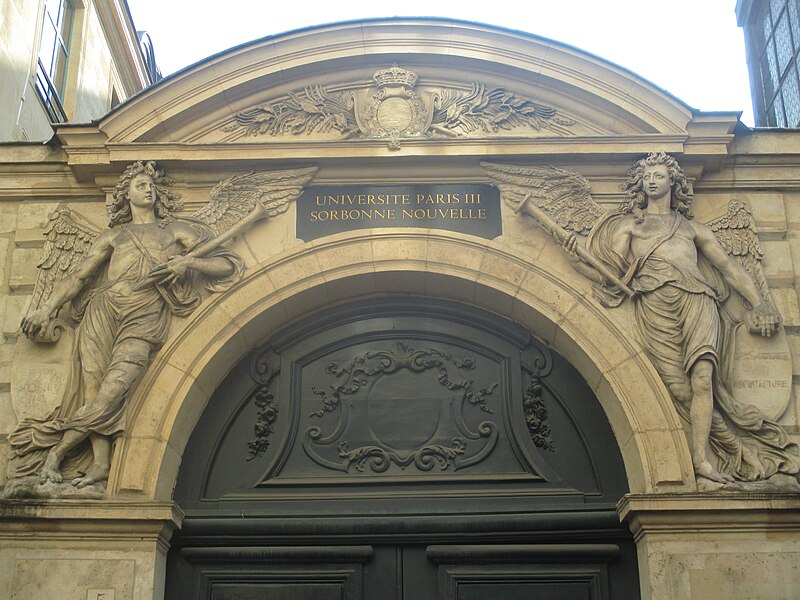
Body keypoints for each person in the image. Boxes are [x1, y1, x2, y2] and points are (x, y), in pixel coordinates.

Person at [566, 152, 799, 483]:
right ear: (639, 185)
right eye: (647, 176)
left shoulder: (693, 229)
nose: (652, 180)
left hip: (698, 301)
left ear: (673, 183)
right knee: (681, 390)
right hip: (656, 306)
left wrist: (759, 304)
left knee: (702, 379)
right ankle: (737, 449)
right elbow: (611, 273)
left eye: (659, 175)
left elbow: (730, 269)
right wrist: (579, 257)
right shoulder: (629, 227)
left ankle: (701, 459)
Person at [10, 161, 243, 489]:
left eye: (151, 185)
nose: (147, 189)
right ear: (126, 195)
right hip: (102, 311)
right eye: (139, 185)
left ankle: (55, 453)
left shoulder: (174, 231)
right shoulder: (114, 236)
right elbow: (78, 277)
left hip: (145, 312)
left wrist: (188, 262)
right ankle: (101, 464)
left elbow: (224, 263)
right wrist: (47, 308)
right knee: (93, 389)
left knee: (113, 388)